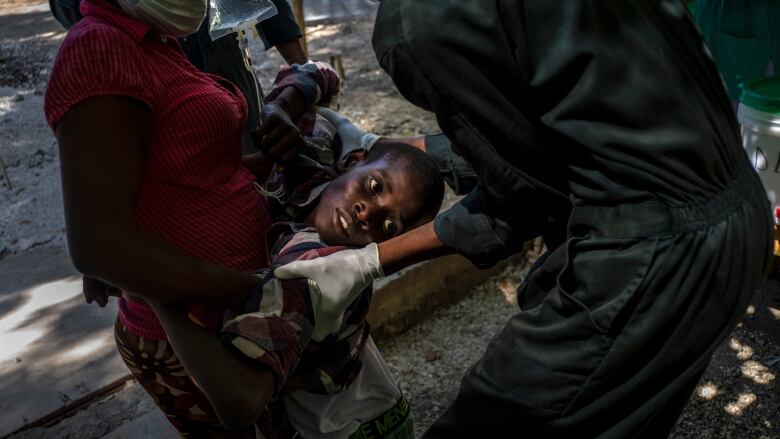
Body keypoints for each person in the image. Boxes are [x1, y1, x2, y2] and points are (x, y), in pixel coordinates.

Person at [269, 0, 774, 437]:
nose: (368, 212)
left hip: (654, 253)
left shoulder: (417, 23)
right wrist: (377, 146)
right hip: (739, 215)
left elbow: (525, 196)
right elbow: (552, 136)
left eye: (388, 221)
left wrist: (370, 261)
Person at [43, 0, 336, 436]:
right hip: (195, 332)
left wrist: (257, 167)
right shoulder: (101, 46)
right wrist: (254, 291)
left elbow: (177, 170)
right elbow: (99, 245)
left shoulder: (155, 41)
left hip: (228, 311)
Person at [149, 138, 444, 437]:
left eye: (390, 226)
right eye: (374, 187)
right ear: (354, 161)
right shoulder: (310, 180)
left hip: (355, 429)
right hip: (383, 410)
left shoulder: (314, 279)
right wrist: (295, 95)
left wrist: (155, 290)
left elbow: (239, 404)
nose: (366, 213)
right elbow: (319, 110)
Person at [48, 0, 308, 151]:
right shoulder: (94, 50)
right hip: (154, 77)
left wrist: (305, 73)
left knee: (251, 166)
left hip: (230, 73)